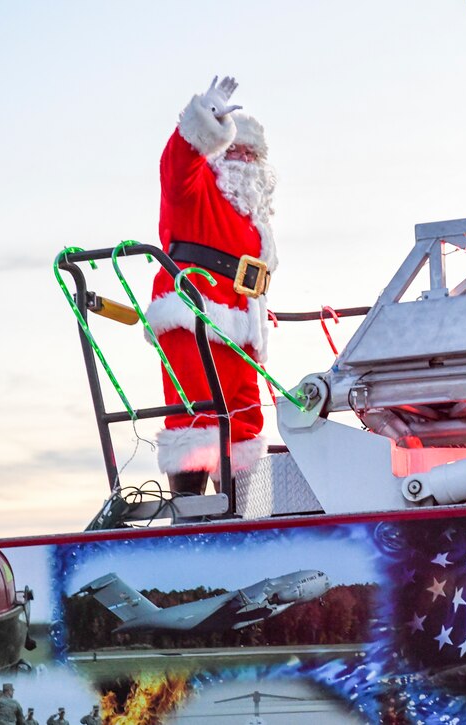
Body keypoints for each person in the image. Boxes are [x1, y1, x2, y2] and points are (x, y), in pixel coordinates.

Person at [146, 74, 278, 496]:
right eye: (235, 150)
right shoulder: (195, 186)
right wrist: (207, 117)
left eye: (250, 154)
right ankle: (189, 511)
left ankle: (240, 513)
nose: (243, 160)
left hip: (242, 323)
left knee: (243, 420)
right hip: (193, 311)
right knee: (197, 416)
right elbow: (177, 164)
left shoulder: (254, 214)